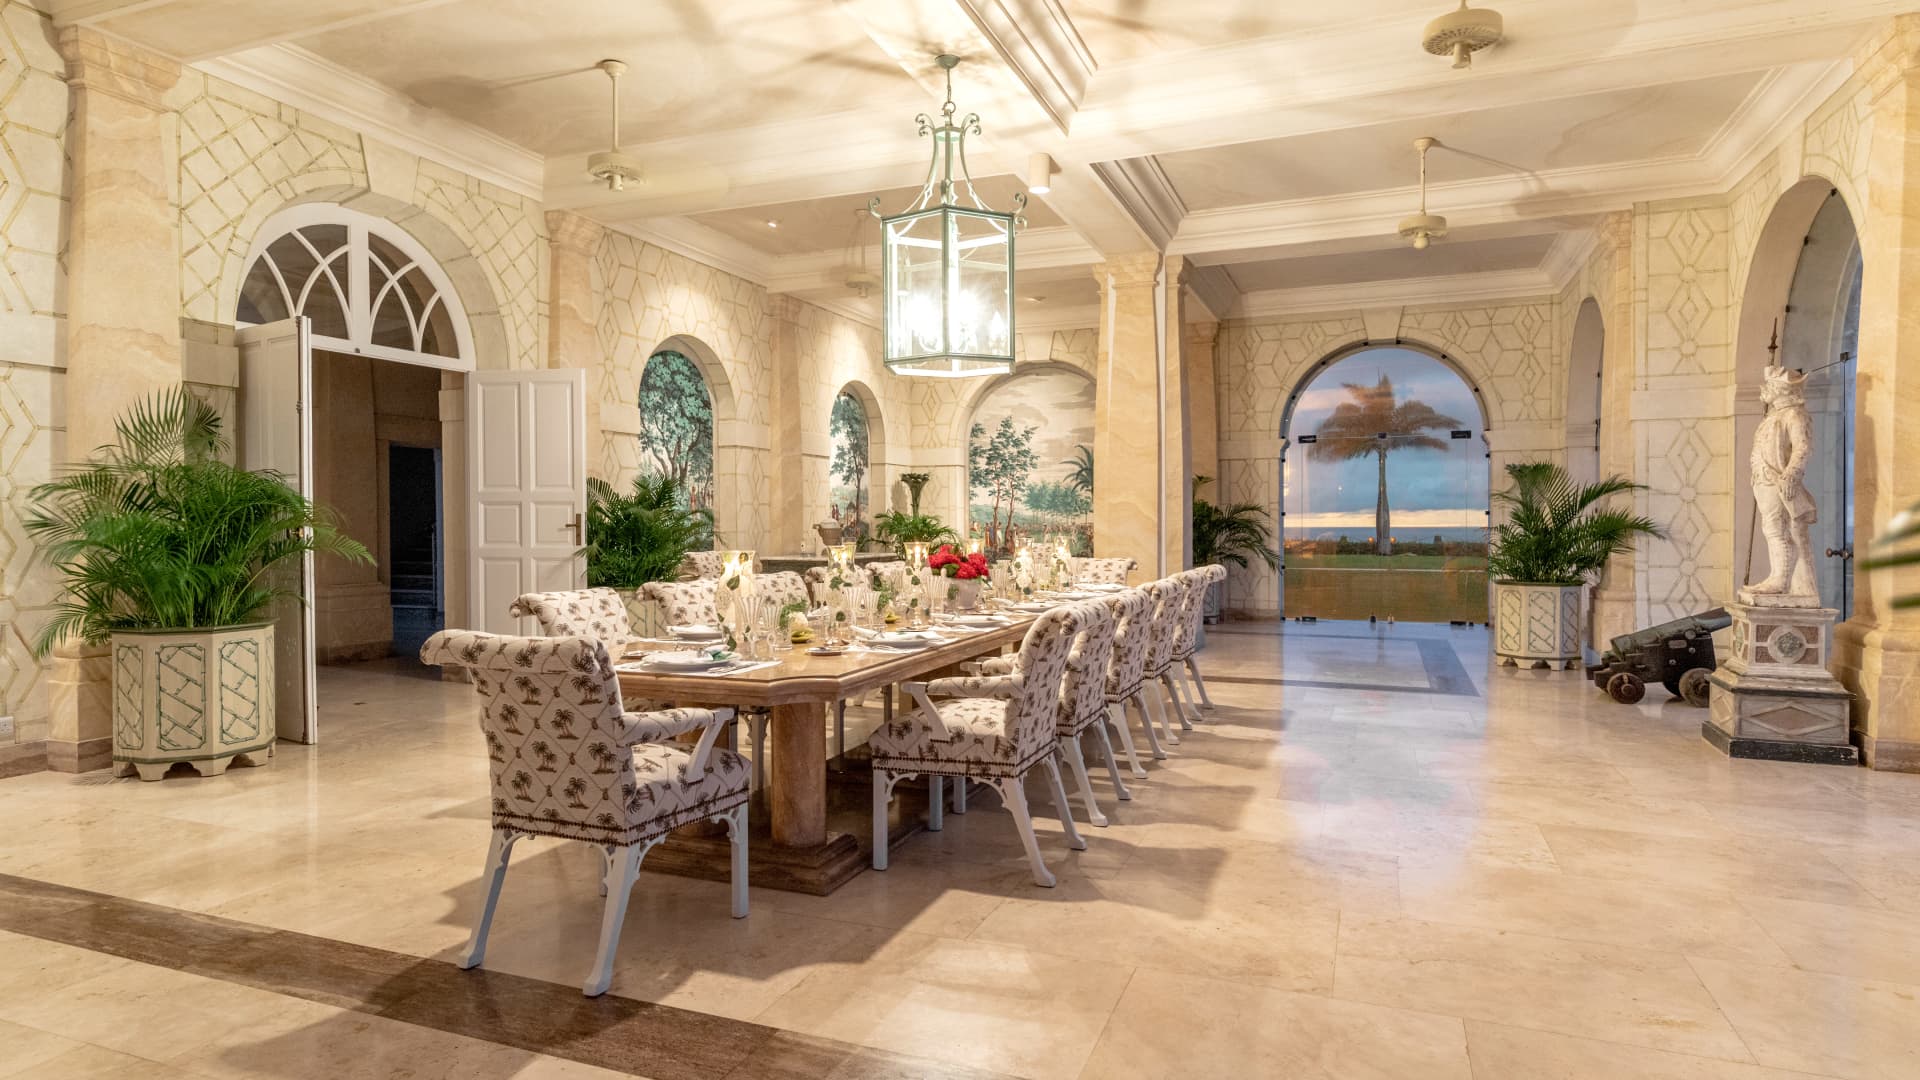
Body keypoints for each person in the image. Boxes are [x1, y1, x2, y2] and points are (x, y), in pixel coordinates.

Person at [1746, 364, 1818, 600]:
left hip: (1777, 479)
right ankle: (1777, 576)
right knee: (1771, 528)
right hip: (1763, 478)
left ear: (1781, 390)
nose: (1765, 389)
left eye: (1770, 386)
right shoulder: (1773, 416)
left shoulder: (1794, 414)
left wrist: (1791, 474)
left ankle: (1780, 581)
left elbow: (1802, 448)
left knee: (1777, 529)